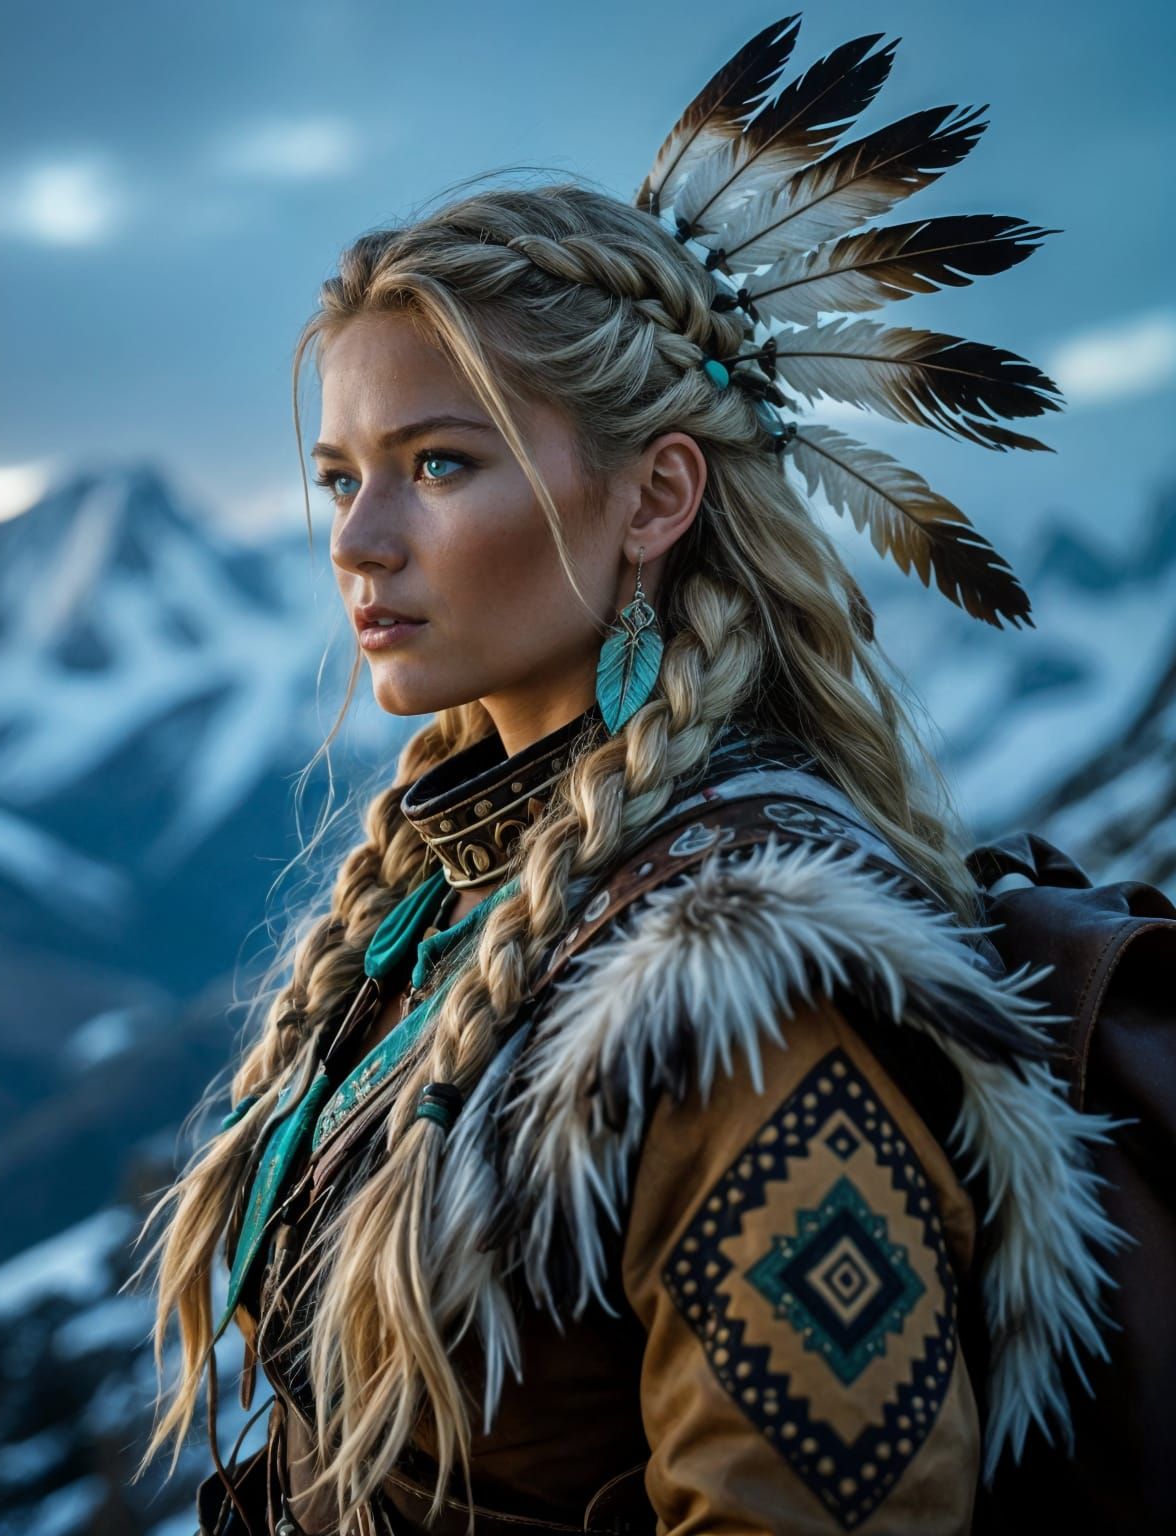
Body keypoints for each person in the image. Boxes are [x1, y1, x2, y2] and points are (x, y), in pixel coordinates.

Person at [131, 17, 1125, 1534]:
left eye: (439, 464)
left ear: (658, 491)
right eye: (339, 476)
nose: (356, 539)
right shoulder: (454, 895)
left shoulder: (754, 991)